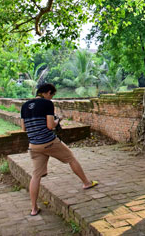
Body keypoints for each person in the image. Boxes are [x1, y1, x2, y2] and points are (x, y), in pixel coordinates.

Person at [21, 83, 98, 216]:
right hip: (49, 142)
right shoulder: (47, 104)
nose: (51, 98)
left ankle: (34, 209)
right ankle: (86, 183)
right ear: (48, 92)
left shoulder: (24, 106)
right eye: (52, 95)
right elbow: (50, 126)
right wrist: (57, 121)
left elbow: (23, 128)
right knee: (71, 158)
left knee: (36, 176)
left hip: (34, 145)